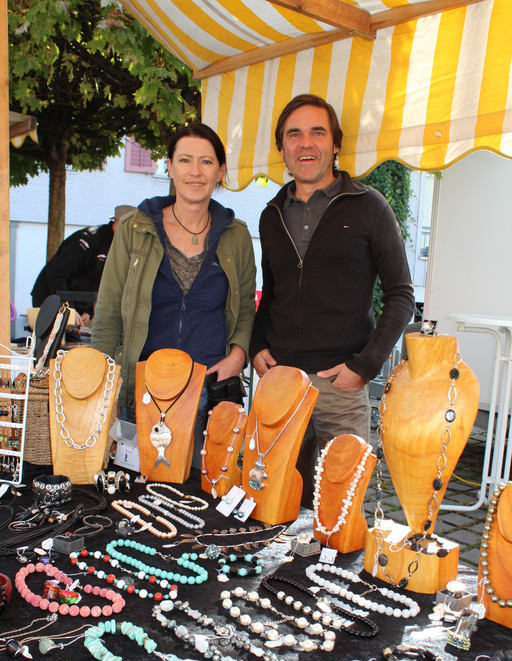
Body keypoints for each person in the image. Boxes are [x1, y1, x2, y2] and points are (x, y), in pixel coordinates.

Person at [249, 93, 415, 505]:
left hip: (340, 386)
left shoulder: (370, 207)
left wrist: (364, 366)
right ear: (282, 148)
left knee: (340, 507)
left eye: (317, 133)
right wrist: (256, 344)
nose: (305, 143)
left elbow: (401, 296)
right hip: (279, 384)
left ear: (335, 144)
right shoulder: (271, 214)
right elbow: (272, 292)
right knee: (270, 500)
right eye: (294, 135)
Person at [91, 123, 256, 464]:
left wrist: (238, 355)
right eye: (185, 160)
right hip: (142, 391)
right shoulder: (135, 228)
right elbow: (108, 312)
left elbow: (244, 309)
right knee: (137, 485)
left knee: (201, 485)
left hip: (209, 392)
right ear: (169, 166)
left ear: (220, 171)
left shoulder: (237, 235)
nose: (195, 171)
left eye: (206, 162)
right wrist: (101, 388)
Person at [31, 205, 136, 321]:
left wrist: (89, 311)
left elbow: (103, 280)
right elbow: (56, 273)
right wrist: (68, 308)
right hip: (50, 300)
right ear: (118, 222)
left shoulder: (119, 245)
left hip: (78, 305)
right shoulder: (88, 240)